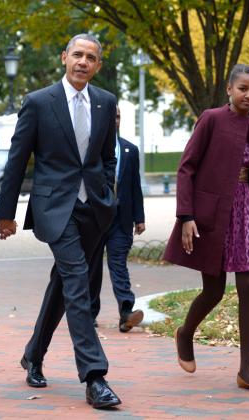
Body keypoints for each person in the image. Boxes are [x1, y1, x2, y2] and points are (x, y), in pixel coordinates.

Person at [0, 33, 121, 409]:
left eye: (91, 57)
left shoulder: (105, 102)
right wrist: (5, 213)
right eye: (77, 55)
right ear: (64, 57)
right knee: (79, 283)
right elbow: (17, 160)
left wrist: (109, 196)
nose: (83, 62)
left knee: (64, 283)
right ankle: (95, 376)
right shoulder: (38, 102)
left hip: (94, 208)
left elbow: (107, 156)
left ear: (98, 65)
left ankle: (33, 354)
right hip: (55, 207)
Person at [163, 64, 249, 394]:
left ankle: (246, 371)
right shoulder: (211, 119)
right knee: (214, 290)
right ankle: (185, 332)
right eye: (243, 89)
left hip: (248, 210)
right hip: (213, 214)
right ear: (229, 89)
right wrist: (186, 216)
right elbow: (186, 169)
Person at [89, 106, 145, 332]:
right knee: (92, 269)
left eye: (119, 116)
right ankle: (89, 313)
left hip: (121, 220)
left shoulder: (130, 150)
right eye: (111, 116)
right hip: (94, 218)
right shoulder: (90, 149)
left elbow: (135, 186)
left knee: (118, 264)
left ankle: (126, 312)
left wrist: (139, 217)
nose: (115, 120)